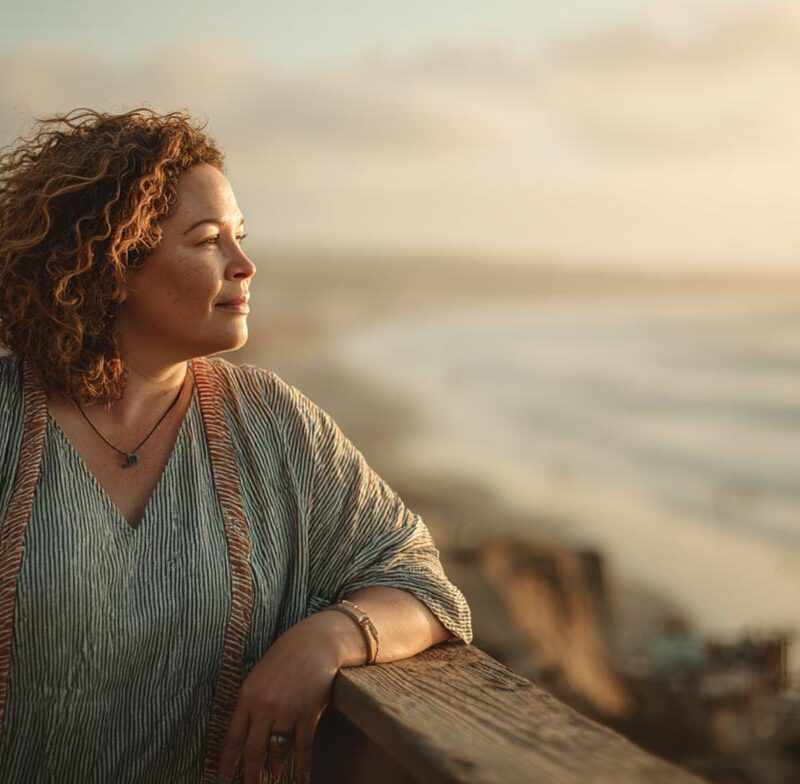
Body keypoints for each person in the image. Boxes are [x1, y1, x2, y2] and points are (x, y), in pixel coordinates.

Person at [0, 108, 473, 784]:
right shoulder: (8, 417)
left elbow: (423, 587)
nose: (244, 266)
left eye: (240, 237)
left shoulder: (276, 425)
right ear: (113, 263)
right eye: (206, 241)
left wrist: (330, 636)